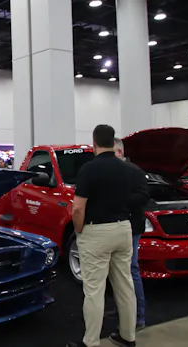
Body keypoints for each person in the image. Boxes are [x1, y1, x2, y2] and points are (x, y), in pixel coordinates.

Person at [67, 125, 137, 347]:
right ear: (113, 142)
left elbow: (78, 208)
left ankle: (90, 342)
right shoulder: (127, 169)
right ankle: (128, 336)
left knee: (94, 290)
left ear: (94, 142)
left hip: (97, 232)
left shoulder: (89, 169)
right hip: (123, 229)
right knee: (125, 285)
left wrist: (79, 230)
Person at [114, 137, 150, 331]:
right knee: (119, 271)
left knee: (130, 269)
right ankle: (123, 310)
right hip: (115, 225)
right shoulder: (112, 171)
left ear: (119, 152)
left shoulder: (134, 171)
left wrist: (120, 201)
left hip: (131, 226)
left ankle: (138, 317)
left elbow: (144, 196)